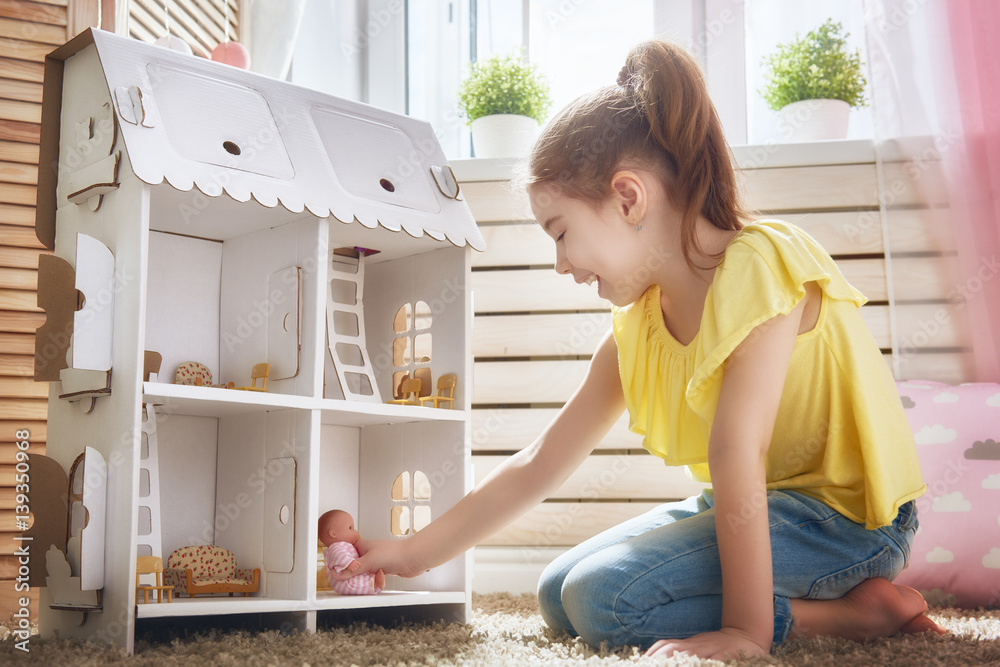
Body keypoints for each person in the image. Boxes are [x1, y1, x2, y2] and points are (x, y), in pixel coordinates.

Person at [354, 40, 946, 659]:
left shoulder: (762, 264)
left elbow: (738, 445)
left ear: (629, 198)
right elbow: (540, 461)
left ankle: (852, 616)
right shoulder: (635, 330)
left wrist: (746, 633)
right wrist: (413, 553)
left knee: (605, 598)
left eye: (561, 234)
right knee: (559, 593)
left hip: (849, 523)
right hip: (758, 509)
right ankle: (855, 610)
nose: (561, 264)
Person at [318, 509, 384, 595]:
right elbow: (340, 556)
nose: (355, 531)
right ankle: (374, 584)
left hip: (350, 575)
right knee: (355, 583)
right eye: (350, 528)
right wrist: (349, 563)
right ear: (333, 534)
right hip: (343, 582)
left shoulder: (346, 546)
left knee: (360, 577)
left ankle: (374, 584)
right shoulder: (335, 547)